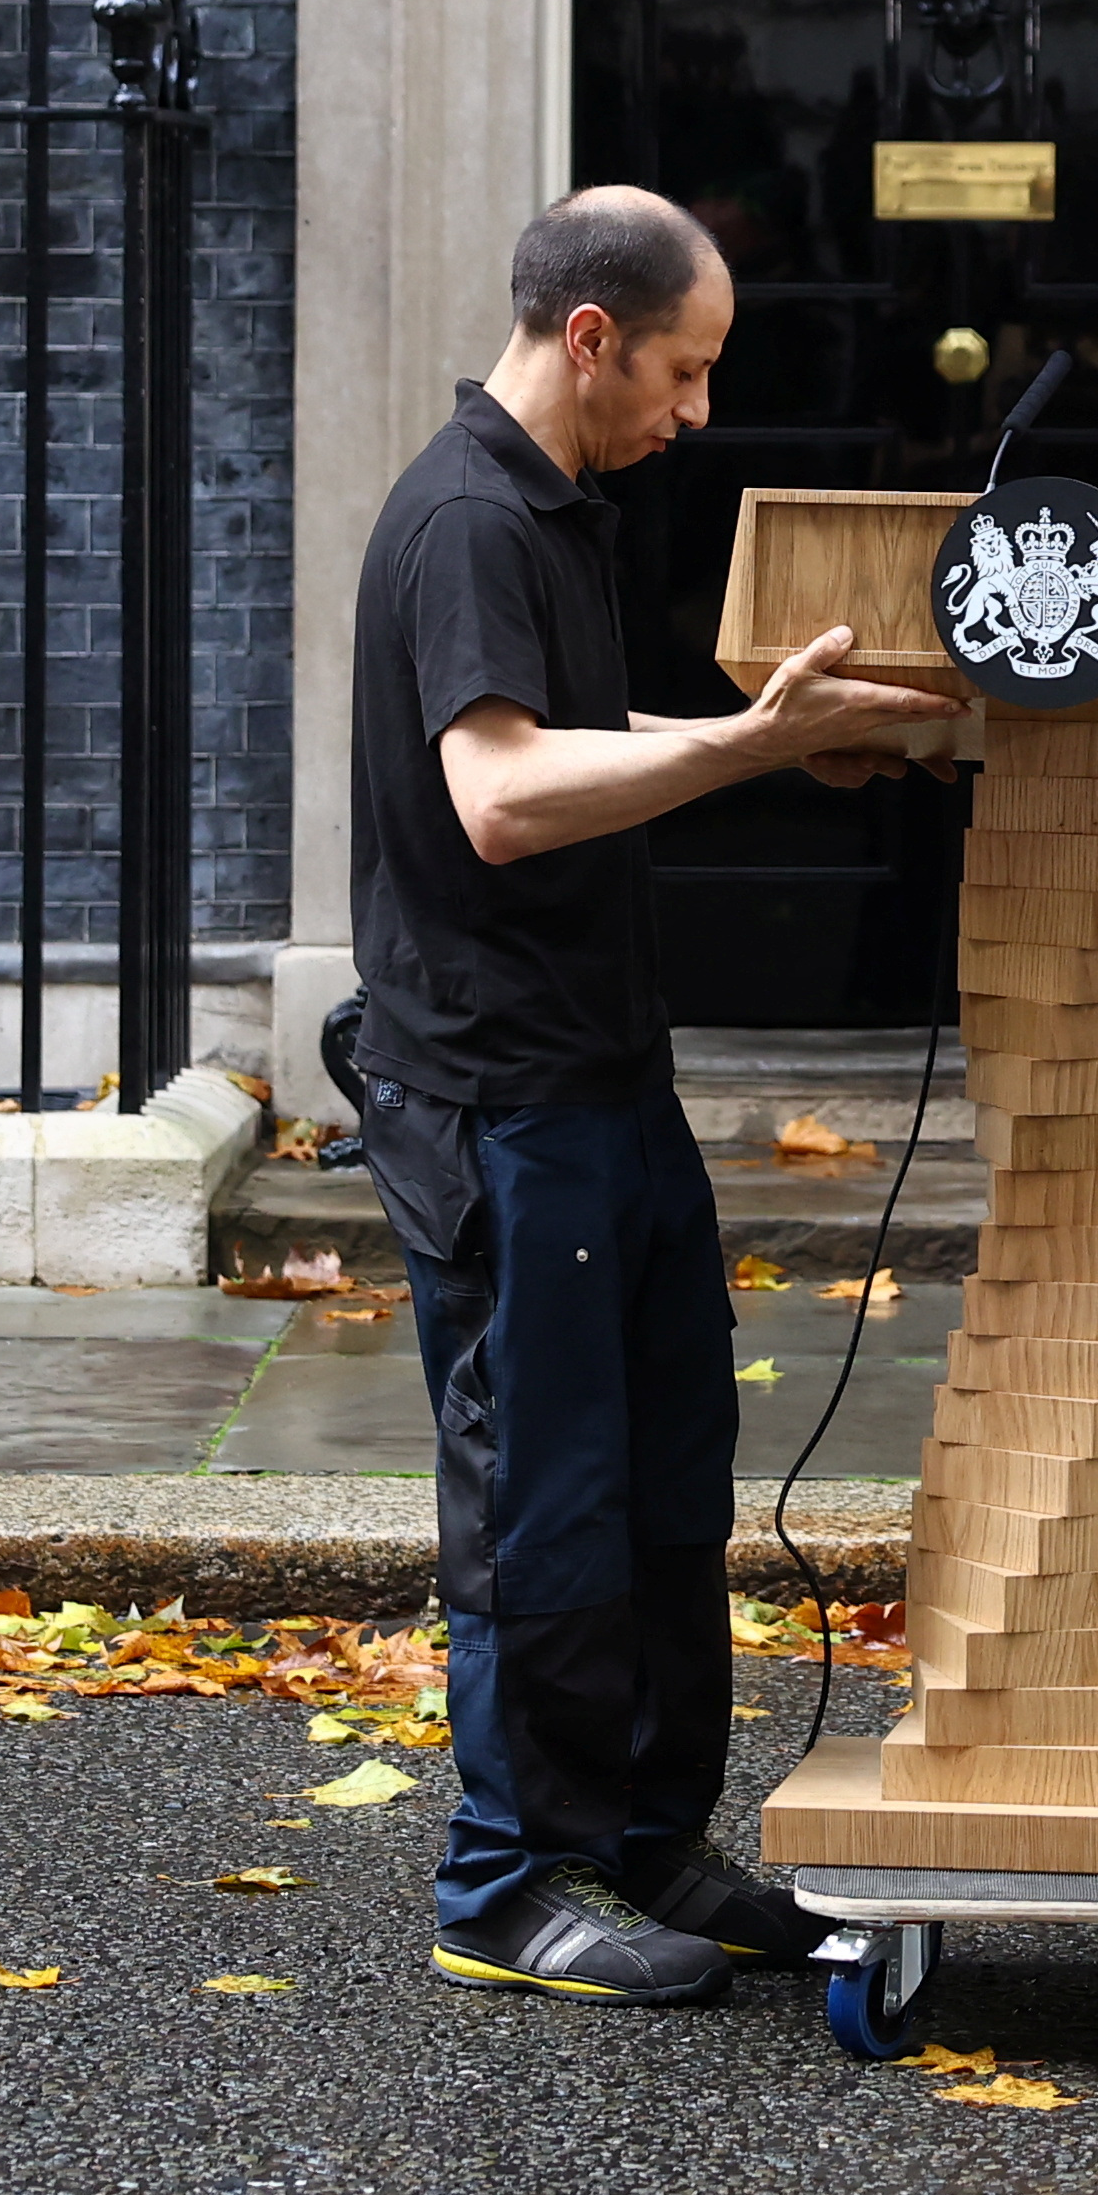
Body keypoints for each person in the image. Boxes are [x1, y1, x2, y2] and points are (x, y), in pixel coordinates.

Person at [350, 182, 965, 2006]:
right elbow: (505, 793)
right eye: (685, 372)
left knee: (665, 1481)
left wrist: (789, 752)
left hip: (604, 1076)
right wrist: (757, 746)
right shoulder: (468, 516)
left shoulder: (564, 510)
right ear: (592, 335)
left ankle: (640, 1846)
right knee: (541, 1491)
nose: (699, 413)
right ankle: (499, 1882)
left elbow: (596, 765)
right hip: (493, 1098)